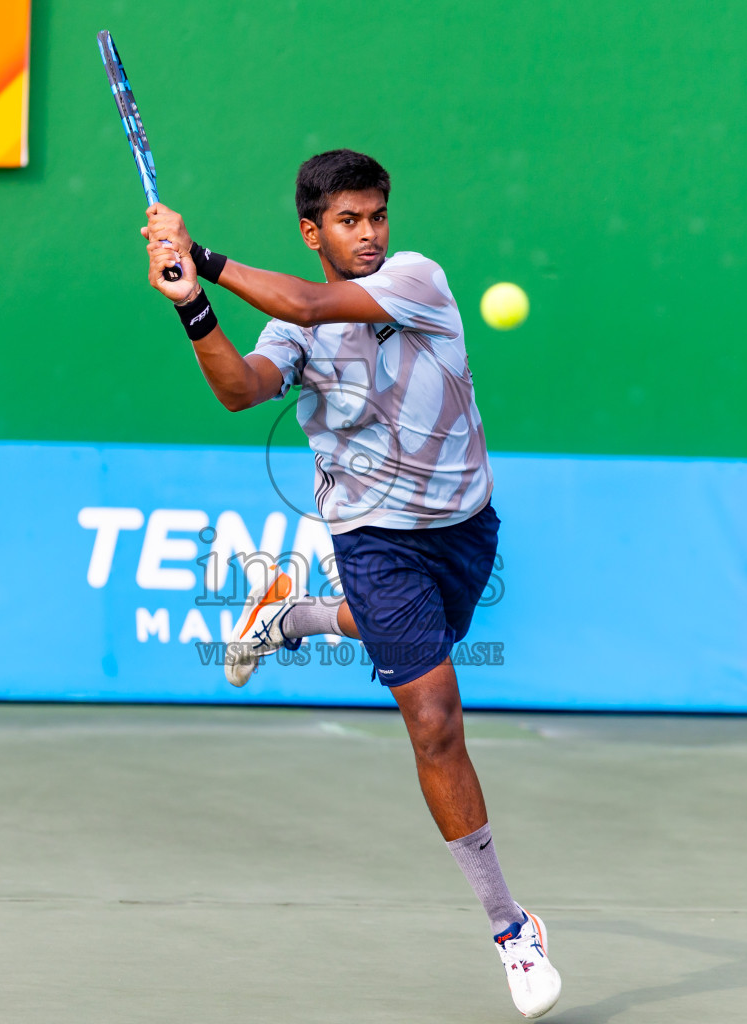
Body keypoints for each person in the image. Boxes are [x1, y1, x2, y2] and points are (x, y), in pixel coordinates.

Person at [141, 149, 561, 1019]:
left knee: (408, 640)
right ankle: (511, 928)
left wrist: (206, 257)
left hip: (464, 525)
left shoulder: (415, 278)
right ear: (313, 229)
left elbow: (307, 298)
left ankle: (292, 618)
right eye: (348, 221)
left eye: (376, 216)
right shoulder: (291, 333)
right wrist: (192, 305)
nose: (368, 235)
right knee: (434, 716)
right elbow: (241, 389)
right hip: (373, 538)